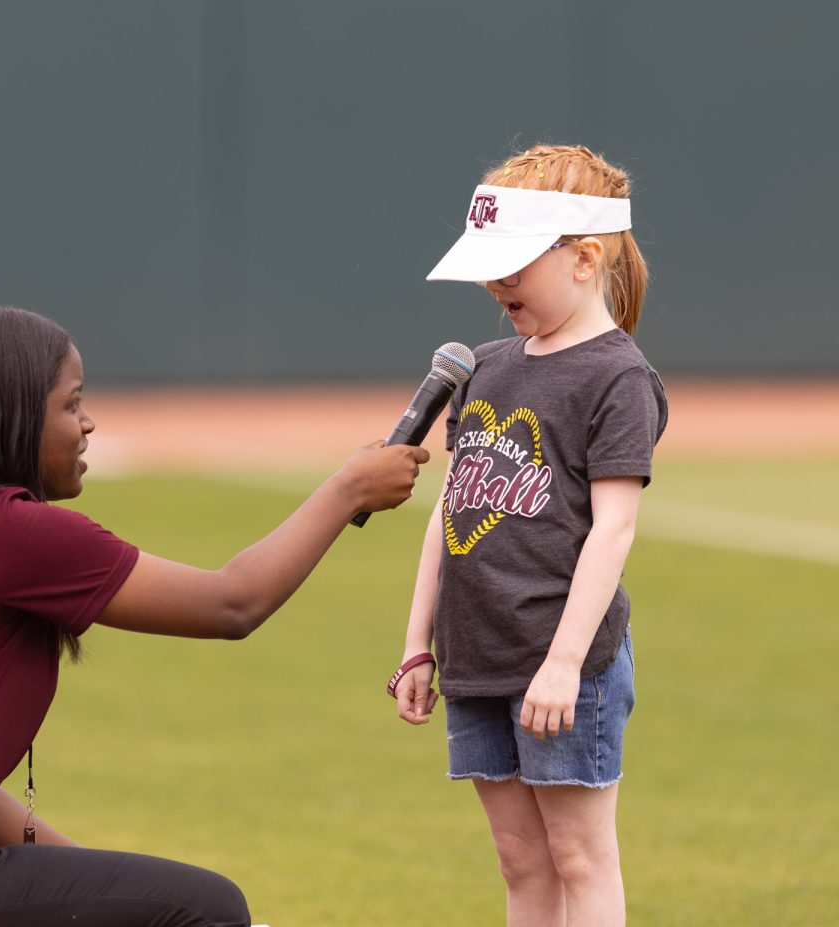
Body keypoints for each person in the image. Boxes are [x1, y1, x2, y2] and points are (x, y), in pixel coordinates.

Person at [0, 305, 429, 927]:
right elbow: (233, 602)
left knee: (161, 902)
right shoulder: (4, 530)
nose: (88, 423)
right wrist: (346, 490)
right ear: (9, 417)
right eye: (71, 403)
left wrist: (102, 887)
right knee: (208, 908)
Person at [389, 145, 667, 926]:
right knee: (521, 863)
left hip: (562, 663)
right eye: (488, 265)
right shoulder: (481, 366)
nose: (493, 283)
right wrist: (419, 642)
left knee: (579, 858)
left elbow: (614, 528)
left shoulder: (617, 376)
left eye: (512, 265)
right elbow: (453, 514)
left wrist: (565, 663)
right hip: (478, 655)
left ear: (584, 258)